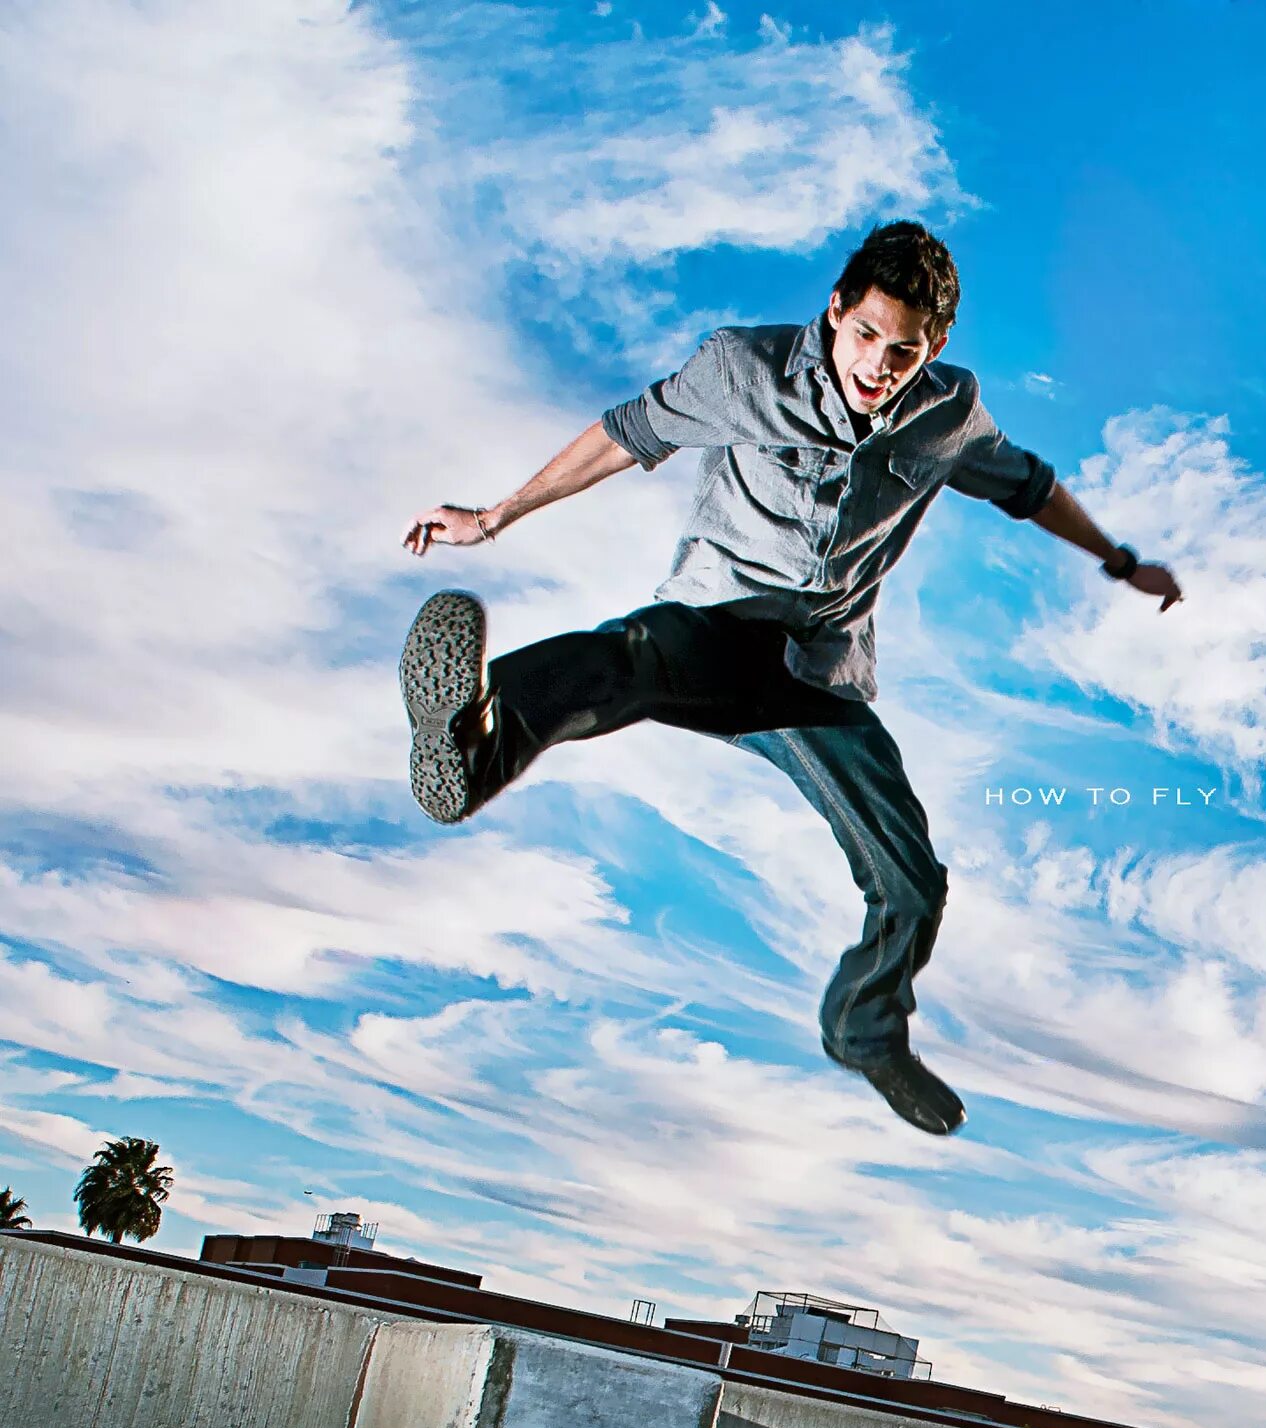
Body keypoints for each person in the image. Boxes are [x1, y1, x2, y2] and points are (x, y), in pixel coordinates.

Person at [397, 220, 1182, 1136]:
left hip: (817, 671)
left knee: (911, 879)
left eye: (905, 352)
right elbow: (624, 434)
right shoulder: (741, 369)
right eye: (866, 337)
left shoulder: (950, 415)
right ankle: (474, 747)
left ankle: (864, 1026)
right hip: (714, 623)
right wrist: (493, 518)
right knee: (635, 658)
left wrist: (1120, 561)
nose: (880, 367)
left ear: (934, 351)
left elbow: (1030, 487)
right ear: (837, 309)